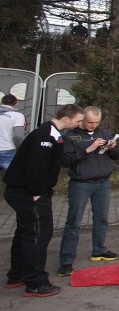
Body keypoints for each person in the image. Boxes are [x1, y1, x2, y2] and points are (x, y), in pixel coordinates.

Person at [3, 104, 85, 297]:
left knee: (24, 232)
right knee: (38, 235)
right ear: (66, 118)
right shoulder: (46, 136)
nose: (79, 124)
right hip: (28, 193)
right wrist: (38, 192)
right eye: (78, 120)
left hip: (23, 191)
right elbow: (36, 166)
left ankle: (17, 274)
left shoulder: (50, 133)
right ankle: (36, 282)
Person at [56, 106, 119, 277]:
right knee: (73, 223)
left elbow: (115, 156)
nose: (93, 125)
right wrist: (88, 149)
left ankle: (99, 250)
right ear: (83, 119)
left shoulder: (104, 133)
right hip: (81, 184)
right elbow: (66, 160)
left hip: (103, 183)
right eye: (90, 122)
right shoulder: (70, 136)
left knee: (102, 219)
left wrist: (113, 148)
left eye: (96, 122)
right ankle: (66, 261)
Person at [0, 94, 26, 171]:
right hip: (8, 149)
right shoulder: (17, 116)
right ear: (16, 103)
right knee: (13, 176)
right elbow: (18, 136)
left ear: (1, 102)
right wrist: (20, 148)